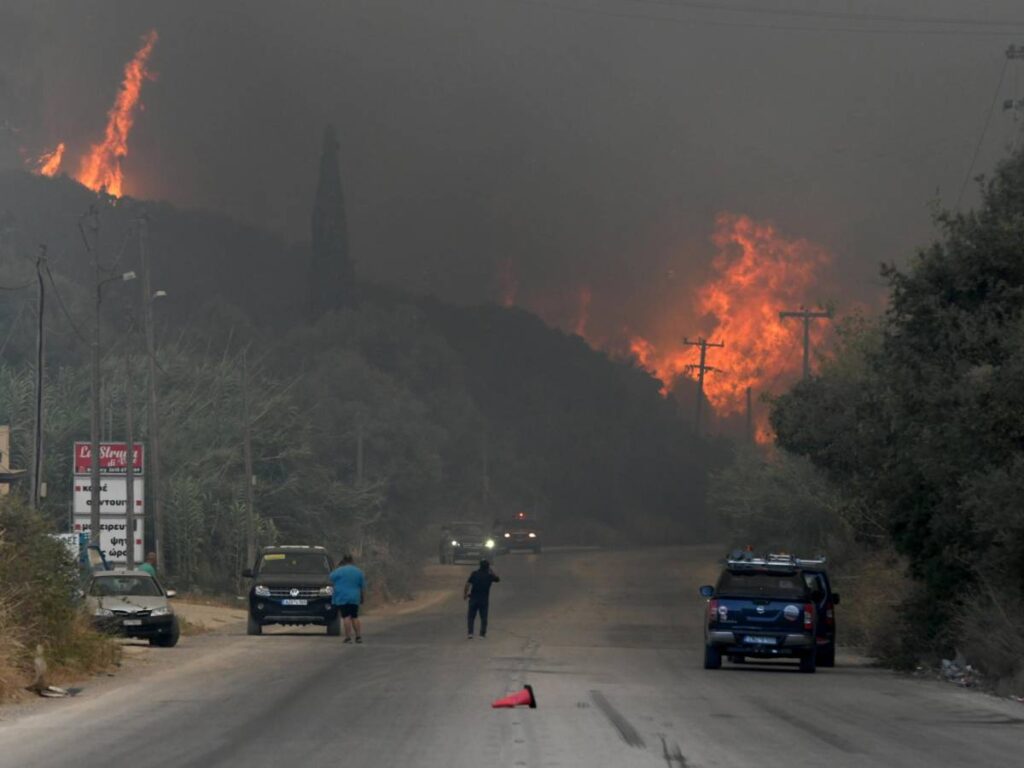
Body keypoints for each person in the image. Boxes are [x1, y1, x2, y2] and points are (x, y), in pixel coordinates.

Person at [329, 554, 365, 644]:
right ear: (352, 561)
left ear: (343, 561)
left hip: (342, 597)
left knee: (346, 617)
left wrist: (338, 566)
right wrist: (362, 598)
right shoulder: (358, 572)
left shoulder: (339, 571)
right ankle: (358, 636)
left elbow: (330, 578)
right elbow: (362, 587)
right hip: (354, 597)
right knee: (355, 616)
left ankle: (348, 638)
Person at [464, 559, 500, 639]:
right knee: (483, 617)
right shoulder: (489, 576)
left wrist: (465, 594)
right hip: (484, 599)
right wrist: (492, 572)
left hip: (473, 598)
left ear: (480, 566)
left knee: (471, 617)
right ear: (488, 567)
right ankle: (482, 634)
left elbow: (467, 584)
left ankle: (470, 633)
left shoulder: (474, 574)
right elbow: (498, 579)